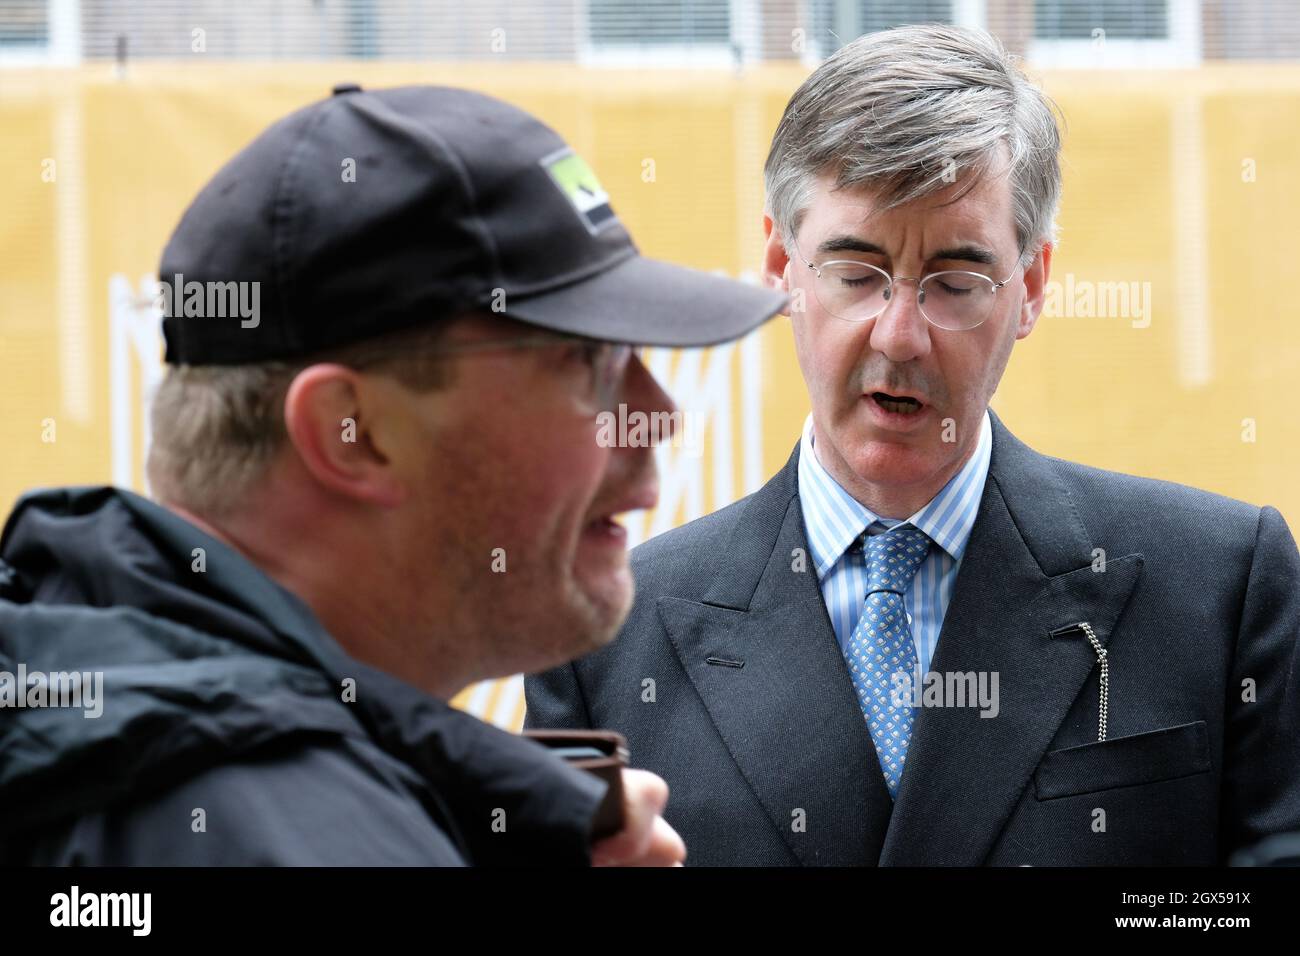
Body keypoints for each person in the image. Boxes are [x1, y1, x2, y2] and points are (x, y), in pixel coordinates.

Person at [525, 24, 1300, 866]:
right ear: (782, 266)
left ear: (1031, 287)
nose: (901, 335)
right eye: (855, 274)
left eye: (954, 283)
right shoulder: (605, 643)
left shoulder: (1219, 588)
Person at [0, 83, 786, 865]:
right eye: (590, 361)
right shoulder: (276, 828)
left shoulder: (99, 703)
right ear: (355, 433)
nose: (656, 414)